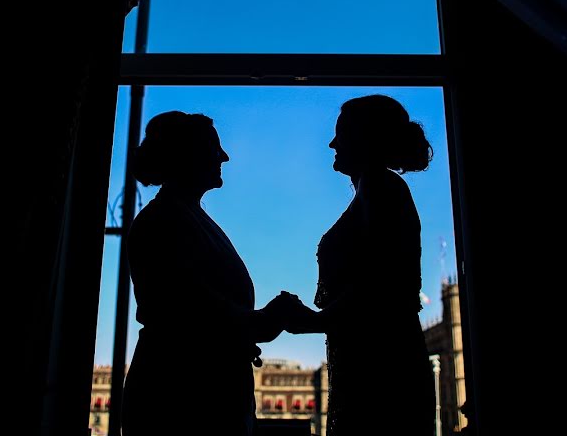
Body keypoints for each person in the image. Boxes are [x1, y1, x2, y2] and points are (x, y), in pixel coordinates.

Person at [122, 111, 291, 436]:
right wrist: (265, 319)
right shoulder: (165, 221)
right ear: (187, 155)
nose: (224, 156)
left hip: (196, 389)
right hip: (185, 396)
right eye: (214, 148)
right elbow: (195, 310)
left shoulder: (176, 217)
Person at [280, 94, 437, 435]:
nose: (332, 142)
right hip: (373, 358)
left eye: (342, 134)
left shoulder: (380, 187)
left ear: (366, 139)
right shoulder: (378, 189)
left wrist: (312, 320)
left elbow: (380, 284)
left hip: (379, 365)